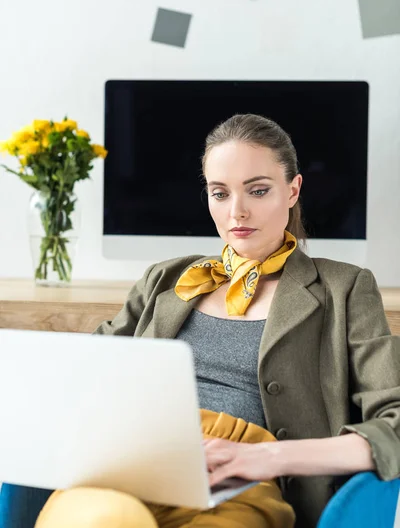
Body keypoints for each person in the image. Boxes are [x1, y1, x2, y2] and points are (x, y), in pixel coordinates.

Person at [34, 114, 400, 528]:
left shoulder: (345, 288)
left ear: (293, 190)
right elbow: (81, 370)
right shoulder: (165, 278)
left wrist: (268, 457)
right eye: (220, 193)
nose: (237, 212)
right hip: (125, 468)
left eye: (258, 191)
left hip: (240, 483)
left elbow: (397, 423)